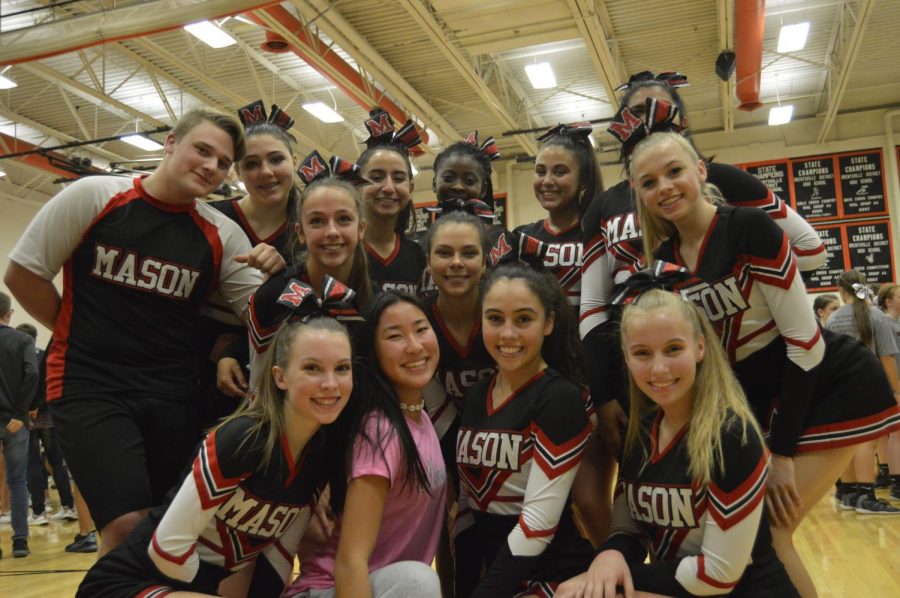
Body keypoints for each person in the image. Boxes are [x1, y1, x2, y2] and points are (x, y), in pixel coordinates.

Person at [630, 131, 897, 597]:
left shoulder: (750, 227)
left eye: (674, 171)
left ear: (700, 171)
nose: (665, 188)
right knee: (758, 541)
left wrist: (783, 452)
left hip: (832, 385)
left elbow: (806, 343)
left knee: (774, 534)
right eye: (649, 182)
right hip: (764, 398)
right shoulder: (666, 262)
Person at [4, 107, 272, 554]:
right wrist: (75, 329)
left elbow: (263, 319)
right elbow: (23, 274)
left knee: (164, 528)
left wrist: (279, 273)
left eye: (223, 163)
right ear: (170, 143)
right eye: (202, 150)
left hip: (171, 390)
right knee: (125, 525)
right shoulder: (94, 195)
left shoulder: (223, 234)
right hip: (91, 384)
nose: (211, 166)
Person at [77, 317, 353, 597]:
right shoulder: (242, 438)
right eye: (312, 368)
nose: (330, 383)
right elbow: (167, 549)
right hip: (127, 585)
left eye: (342, 368)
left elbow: (280, 553)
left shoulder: (322, 454)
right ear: (280, 377)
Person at [557, 289, 798, 598]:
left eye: (673, 349)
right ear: (627, 357)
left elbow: (719, 574)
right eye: (642, 353)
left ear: (699, 348)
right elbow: (628, 528)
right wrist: (611, 554)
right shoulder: (639, 432)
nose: (659, 368)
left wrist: (622, 576)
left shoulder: (732, 435)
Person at [288, 291, 445, 598]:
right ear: (373, 351)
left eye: (421, 329)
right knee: (418, 580)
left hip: (379, 588)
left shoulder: (419, 418)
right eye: (395, 336)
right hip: (334, 590)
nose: (414, 346)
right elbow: (350, 562)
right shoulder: (380, 431)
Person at [457, 264, 594, 597]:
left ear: (548, 323)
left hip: (558, 579)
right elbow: (465, 510)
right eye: (495, 318)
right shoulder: (476, 396)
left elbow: (537, 524)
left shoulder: (560, 398)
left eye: (523, 319)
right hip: (504, 579)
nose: (507, 334)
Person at [245, 170, 371, 392]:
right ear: (300, 232)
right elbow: (259, 390)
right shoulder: (271, 297)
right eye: (317, 221)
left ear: (361, 229)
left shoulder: (372, 302)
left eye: (343, 219)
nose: (331, 231)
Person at [826, 271, 900, 514]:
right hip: (870, 385)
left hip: (838, 386)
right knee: (868, 442)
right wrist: (897, 391)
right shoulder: (876, 316)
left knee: (849, 441)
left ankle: (849, 493)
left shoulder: (833, 319)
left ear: (842, 289)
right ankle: (867, 497)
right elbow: (887, 357)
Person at [514, 122, 602, 309]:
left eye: (559, 172)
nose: (547, 181)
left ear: (584, 180)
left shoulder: (600, 235)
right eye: (540, 171)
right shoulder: (521, 238)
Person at [357, 108, 427, 295]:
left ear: (410, 188)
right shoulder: (342, 248)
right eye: (377, 177)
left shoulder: (418, 257)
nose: (388, 187)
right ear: (357, 184)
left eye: (398, 178)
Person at [17, 326, 77, 526]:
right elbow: (50, 384)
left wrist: (29, 406)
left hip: (28, 416)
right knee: (57, 463)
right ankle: (68, 507)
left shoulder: (18, 358)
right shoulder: (45, 354)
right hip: (49, 416)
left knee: (33, 464)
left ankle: (39, 512)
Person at [0, 291, 38, 558]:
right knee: (16, 481)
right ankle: (20, 542)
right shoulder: (23, 339)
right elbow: (32, 373)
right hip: (14, 421)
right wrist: (19, 413)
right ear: (9, 313)